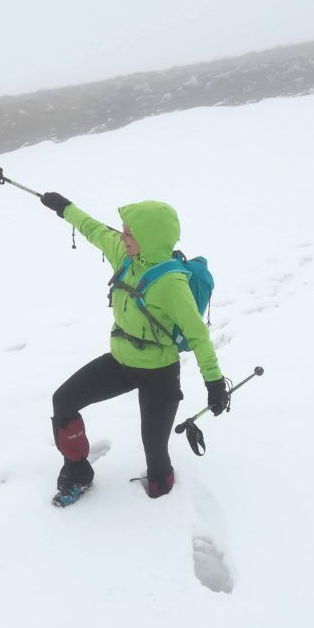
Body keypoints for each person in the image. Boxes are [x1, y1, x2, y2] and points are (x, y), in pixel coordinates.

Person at [40, 190, 230, 507]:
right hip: (121, 363)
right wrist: (64, 207)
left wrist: (214, 383)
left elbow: (198, 336)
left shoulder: (172, 284)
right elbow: (94, 228)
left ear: (150, 238)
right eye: (125, 231)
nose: (123, 237)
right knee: (64, 400)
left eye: (130, 233)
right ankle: (77, 471)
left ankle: (163, 501)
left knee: (155, 453)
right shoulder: (125, 256)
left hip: (160, 373)